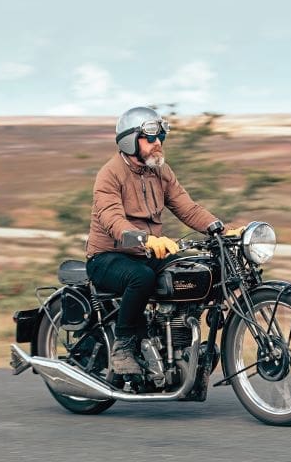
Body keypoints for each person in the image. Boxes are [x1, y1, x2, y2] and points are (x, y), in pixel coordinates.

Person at [85, 106, 234, 376]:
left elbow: (187, 208)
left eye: (160, 138)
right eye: (150, 138)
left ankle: (180, 340)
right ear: (130, 141)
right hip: (107, 257)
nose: (158, 144)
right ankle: (123, 348)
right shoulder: (110, 174)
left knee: (194, 268)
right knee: (141, 278)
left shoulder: (161, 172)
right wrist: (145, 239)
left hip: (146, 254)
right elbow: (113, 220)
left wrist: (220, 230)